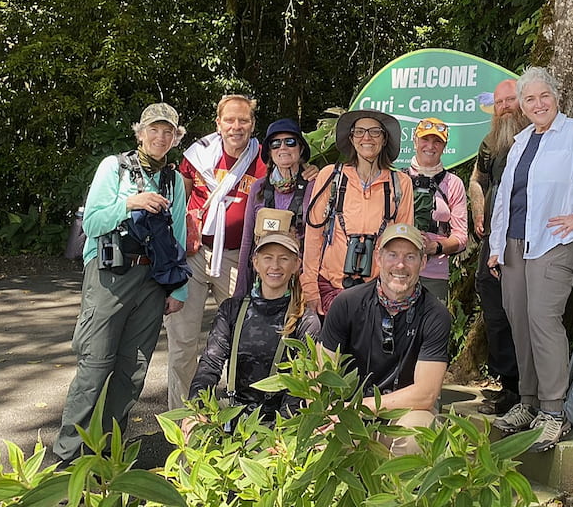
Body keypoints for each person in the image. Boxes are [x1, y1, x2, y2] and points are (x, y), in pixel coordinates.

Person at [487, 67, 573, 452]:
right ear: (523, 105)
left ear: (556, 97)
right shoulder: (520, 142)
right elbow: (505, 199)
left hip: (555, 241)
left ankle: (554, 411)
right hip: (515, 244)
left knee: (543, 320)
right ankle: (528, 402)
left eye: (543, 96)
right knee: (517, 320)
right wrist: (497, 246)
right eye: (529, 99)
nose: (538, 105)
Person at [54, 103, 188, 464]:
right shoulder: (114, 167)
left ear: (175, 138)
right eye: (153, 130)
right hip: (110, 276)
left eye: (168, 132)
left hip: (151, 281)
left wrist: (179, 288)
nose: (160, 137)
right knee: (95, 367)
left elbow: (177, 235)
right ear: (140, 133)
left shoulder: (175, 181)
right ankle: (67, 461)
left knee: (132, 371)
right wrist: (132, 202)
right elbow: (94, 223)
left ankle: (107, 458)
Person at [164, 94, 265, 410]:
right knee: (182, 343)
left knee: (239, 338)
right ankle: (182, 420)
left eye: (243, 120)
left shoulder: (265, 158)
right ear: (218, 123)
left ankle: (239, 411)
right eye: (230, 120)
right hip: (193, 254)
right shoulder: (197, 156)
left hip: (237, 257)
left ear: (252, 124)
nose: (237, 126)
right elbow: (176, 202)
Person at [318, 223, 451, 456]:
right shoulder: (347, 304)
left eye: (410, 257)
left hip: (404, 411)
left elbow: (426, 393)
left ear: (423, 263)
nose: (400, 265)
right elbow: (320, 373)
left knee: (418, 435)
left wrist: (363, 407)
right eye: (392, 255)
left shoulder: (435, 315)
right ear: (378, 258)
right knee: (324, 443)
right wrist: (331, 413)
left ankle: (403, 491)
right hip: (348, 410)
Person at [182, 233, 320, 436]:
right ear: (255, 263)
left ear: (296, 264)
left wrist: (280, 435)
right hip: (235, 422)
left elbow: (302, 386)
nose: (275, 265)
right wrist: (196, 407)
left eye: (283, 258)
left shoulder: (306, 321)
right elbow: (210, 363)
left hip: (283, 425)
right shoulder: (232, 309)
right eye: (267, 257)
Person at [303, 109, 414, 316]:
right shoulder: (331, 177)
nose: (367, 138)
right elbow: (313, 236)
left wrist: (399, 290)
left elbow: (403, 241)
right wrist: (310, 286)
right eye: (360, 132)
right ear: (351, 139)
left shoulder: (400, 183)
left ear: (384, 139)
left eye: (375, 132)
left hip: (380, 290)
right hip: (331, 286)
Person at [467, 80, 530, 416]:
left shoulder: (537, 138)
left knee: (522, 311)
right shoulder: (490, 143)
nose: (505, 106)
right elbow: (476, 179)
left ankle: (528, 391)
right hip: (492, 241)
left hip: (524, 241)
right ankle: (508, 386)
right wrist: (478, 208)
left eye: (510, 100)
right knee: (494, 309)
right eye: (500, 102)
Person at [234, 118, 314, 298]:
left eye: (290, 142)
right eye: (275, 143)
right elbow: (247, 241)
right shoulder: (258, 187)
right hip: (264, 279)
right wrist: (240, 294)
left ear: (300, 148)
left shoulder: (314, 185)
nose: (283, 148)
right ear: (269, 152)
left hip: (299, 281)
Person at [406, 117, 468, 303]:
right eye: (425, 139)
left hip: (434, 275)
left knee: (433, 329)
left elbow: (461, 238)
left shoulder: (453, 184)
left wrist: (435, 247)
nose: (430, 146)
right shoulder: (398, 179)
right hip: (398, 270)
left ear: (444, 146)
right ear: (415, 141)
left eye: (437, 141)